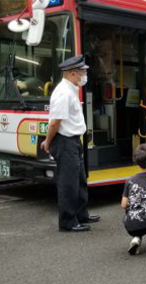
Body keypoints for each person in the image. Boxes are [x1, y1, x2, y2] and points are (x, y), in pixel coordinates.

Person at [40, 55, 100, 232]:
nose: (85, 75)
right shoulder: (63, 93)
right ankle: (67, 221)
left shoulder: (71, 89)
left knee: (79, 179)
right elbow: (55, 122)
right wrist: (47, 142)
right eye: (83, 72)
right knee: (68, 182)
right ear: (73, 73)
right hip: (65, 142)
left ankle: (81, 214)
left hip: (73, 140)